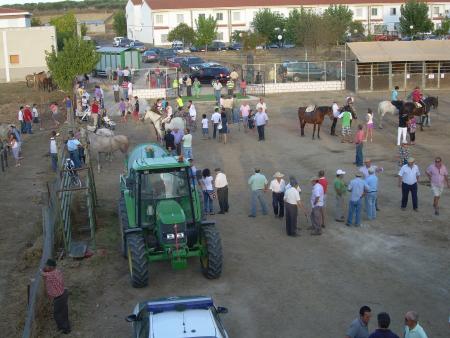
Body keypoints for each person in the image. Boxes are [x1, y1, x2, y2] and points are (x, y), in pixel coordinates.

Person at [41, 258, 71, 334]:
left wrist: (42, 270)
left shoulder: (51, 274)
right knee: (63, 311)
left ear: (51, 267)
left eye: (47, 266)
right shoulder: (56, 271)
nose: (45, 267)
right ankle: (66, 327)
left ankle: (64, 329)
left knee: (57, 313)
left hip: (59, 297)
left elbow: (42, 273)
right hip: (63, 294)